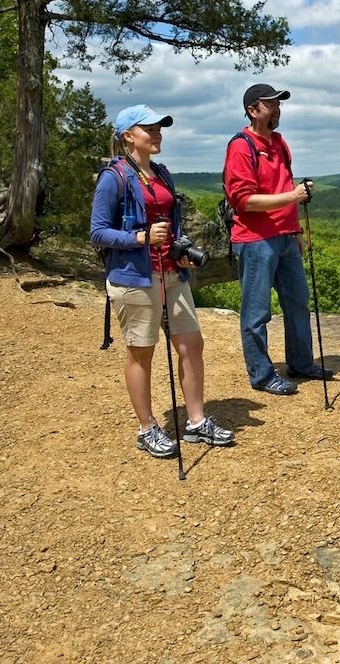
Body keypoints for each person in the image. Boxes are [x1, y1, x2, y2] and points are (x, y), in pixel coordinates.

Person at [90, 105, 235, 457]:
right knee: (142, 351)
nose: (157, 134)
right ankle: (147, 427)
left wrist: (179, 249)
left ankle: (197, 421)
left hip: (171, 271)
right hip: (134, 277)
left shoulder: (162, 173)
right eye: (149, 129)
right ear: (128, 136)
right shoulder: (114, 177)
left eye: (159, 128)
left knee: (191, 344)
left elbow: (173, 223)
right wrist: (140, 239)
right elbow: (98, 232)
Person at [223, 83, 333, 395]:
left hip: (285, 238)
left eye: (278, 104)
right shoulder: (241, 146)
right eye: (271, 104)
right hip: (255, 240)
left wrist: (295, 230)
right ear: (252, 110)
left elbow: (283, 186)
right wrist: (293, 196)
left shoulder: (280, 143)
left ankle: (301, 362)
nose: (277, 109)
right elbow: (243, 201)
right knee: (257, 312)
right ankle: (262, 374)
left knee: (298, 302)